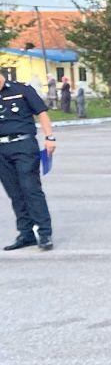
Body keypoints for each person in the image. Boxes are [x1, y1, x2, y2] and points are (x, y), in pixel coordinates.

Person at [0, 71, 56, 251]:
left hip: (24, 145)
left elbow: (42, 113)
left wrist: (50, 138)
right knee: (14, 192)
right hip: (1, 149)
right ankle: (26, 234)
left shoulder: (22, 89)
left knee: (30, 188)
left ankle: (44, 233)